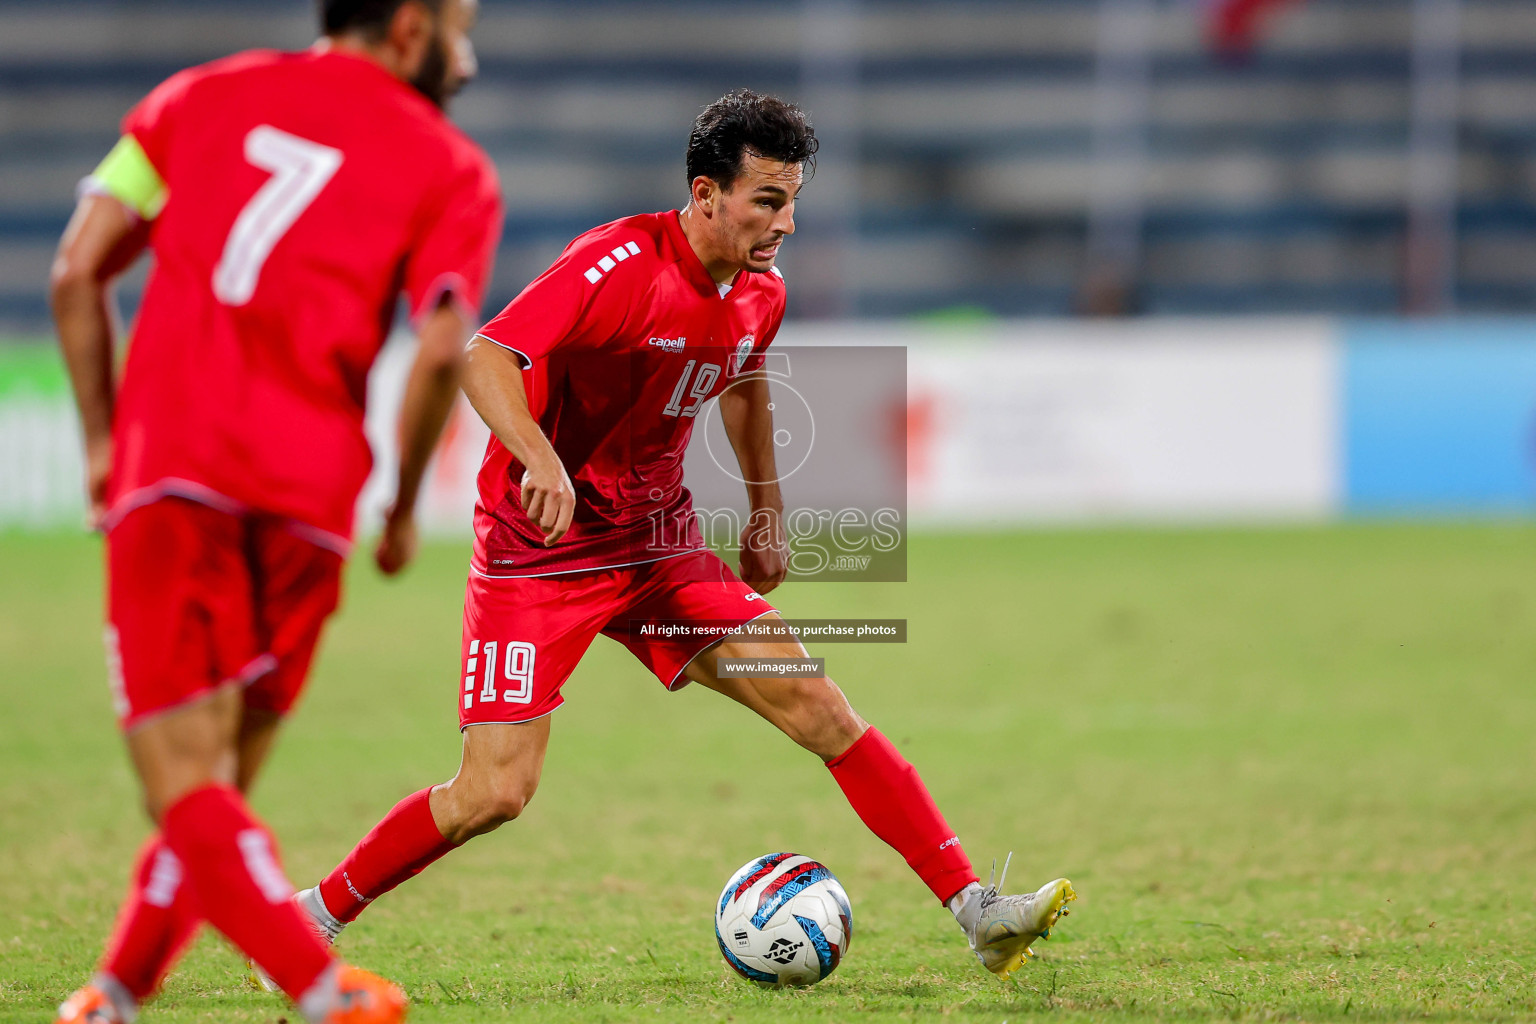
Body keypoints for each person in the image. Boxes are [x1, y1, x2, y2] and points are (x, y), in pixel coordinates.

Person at [272, 89, 1075, 986]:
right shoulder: (616, 266)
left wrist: (765, 511)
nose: (787, 223)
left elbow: (743, 384)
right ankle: (311, 915)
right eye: (768, 202)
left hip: (660, 548)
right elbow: (485, 354)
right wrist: (539, 459)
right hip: (542, 550)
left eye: (794, 201)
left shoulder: (760, 290)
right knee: (494, 792)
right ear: (705, 194)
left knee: (819, 705)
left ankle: (977, 912)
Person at [48, 0, 501, 1020]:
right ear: (410, 31)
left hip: (175, 472)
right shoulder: (454, 168)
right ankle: (117, 991)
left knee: (182, 784)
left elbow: (77, 269)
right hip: (312, 498)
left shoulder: (189, 100)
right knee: (215, 788)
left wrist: (99, 444)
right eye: (462, 29)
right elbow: (439, 346)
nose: (468, 59)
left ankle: (317, 988)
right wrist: (395, 504)